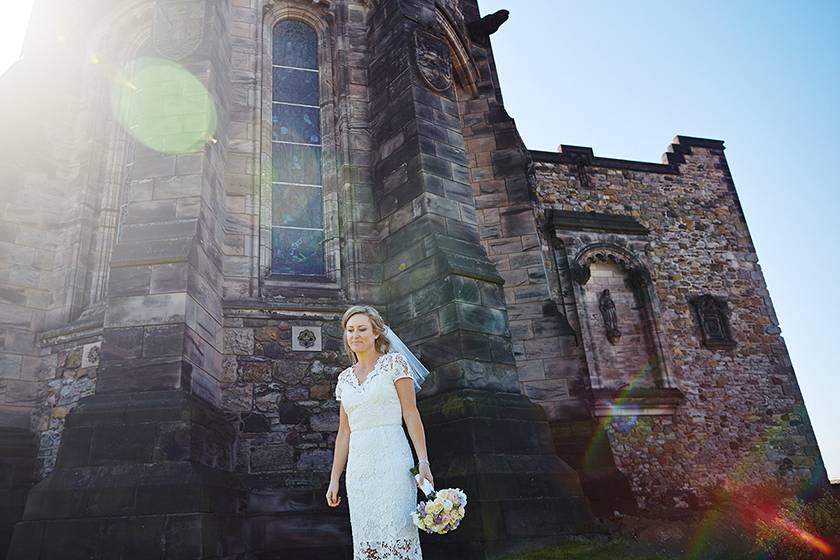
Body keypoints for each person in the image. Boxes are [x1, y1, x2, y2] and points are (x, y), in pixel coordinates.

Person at [326, 305, 432, 559]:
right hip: (359, 469)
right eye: (350, 330)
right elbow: (344, 432)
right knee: (367, 536)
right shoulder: (344, 379)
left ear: (376, 333)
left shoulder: (394, 364)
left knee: (398, 531)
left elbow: (411, 413)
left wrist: (423, 461)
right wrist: (334, 478)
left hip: (393, 458)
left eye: (362, 329)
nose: (355, 335)